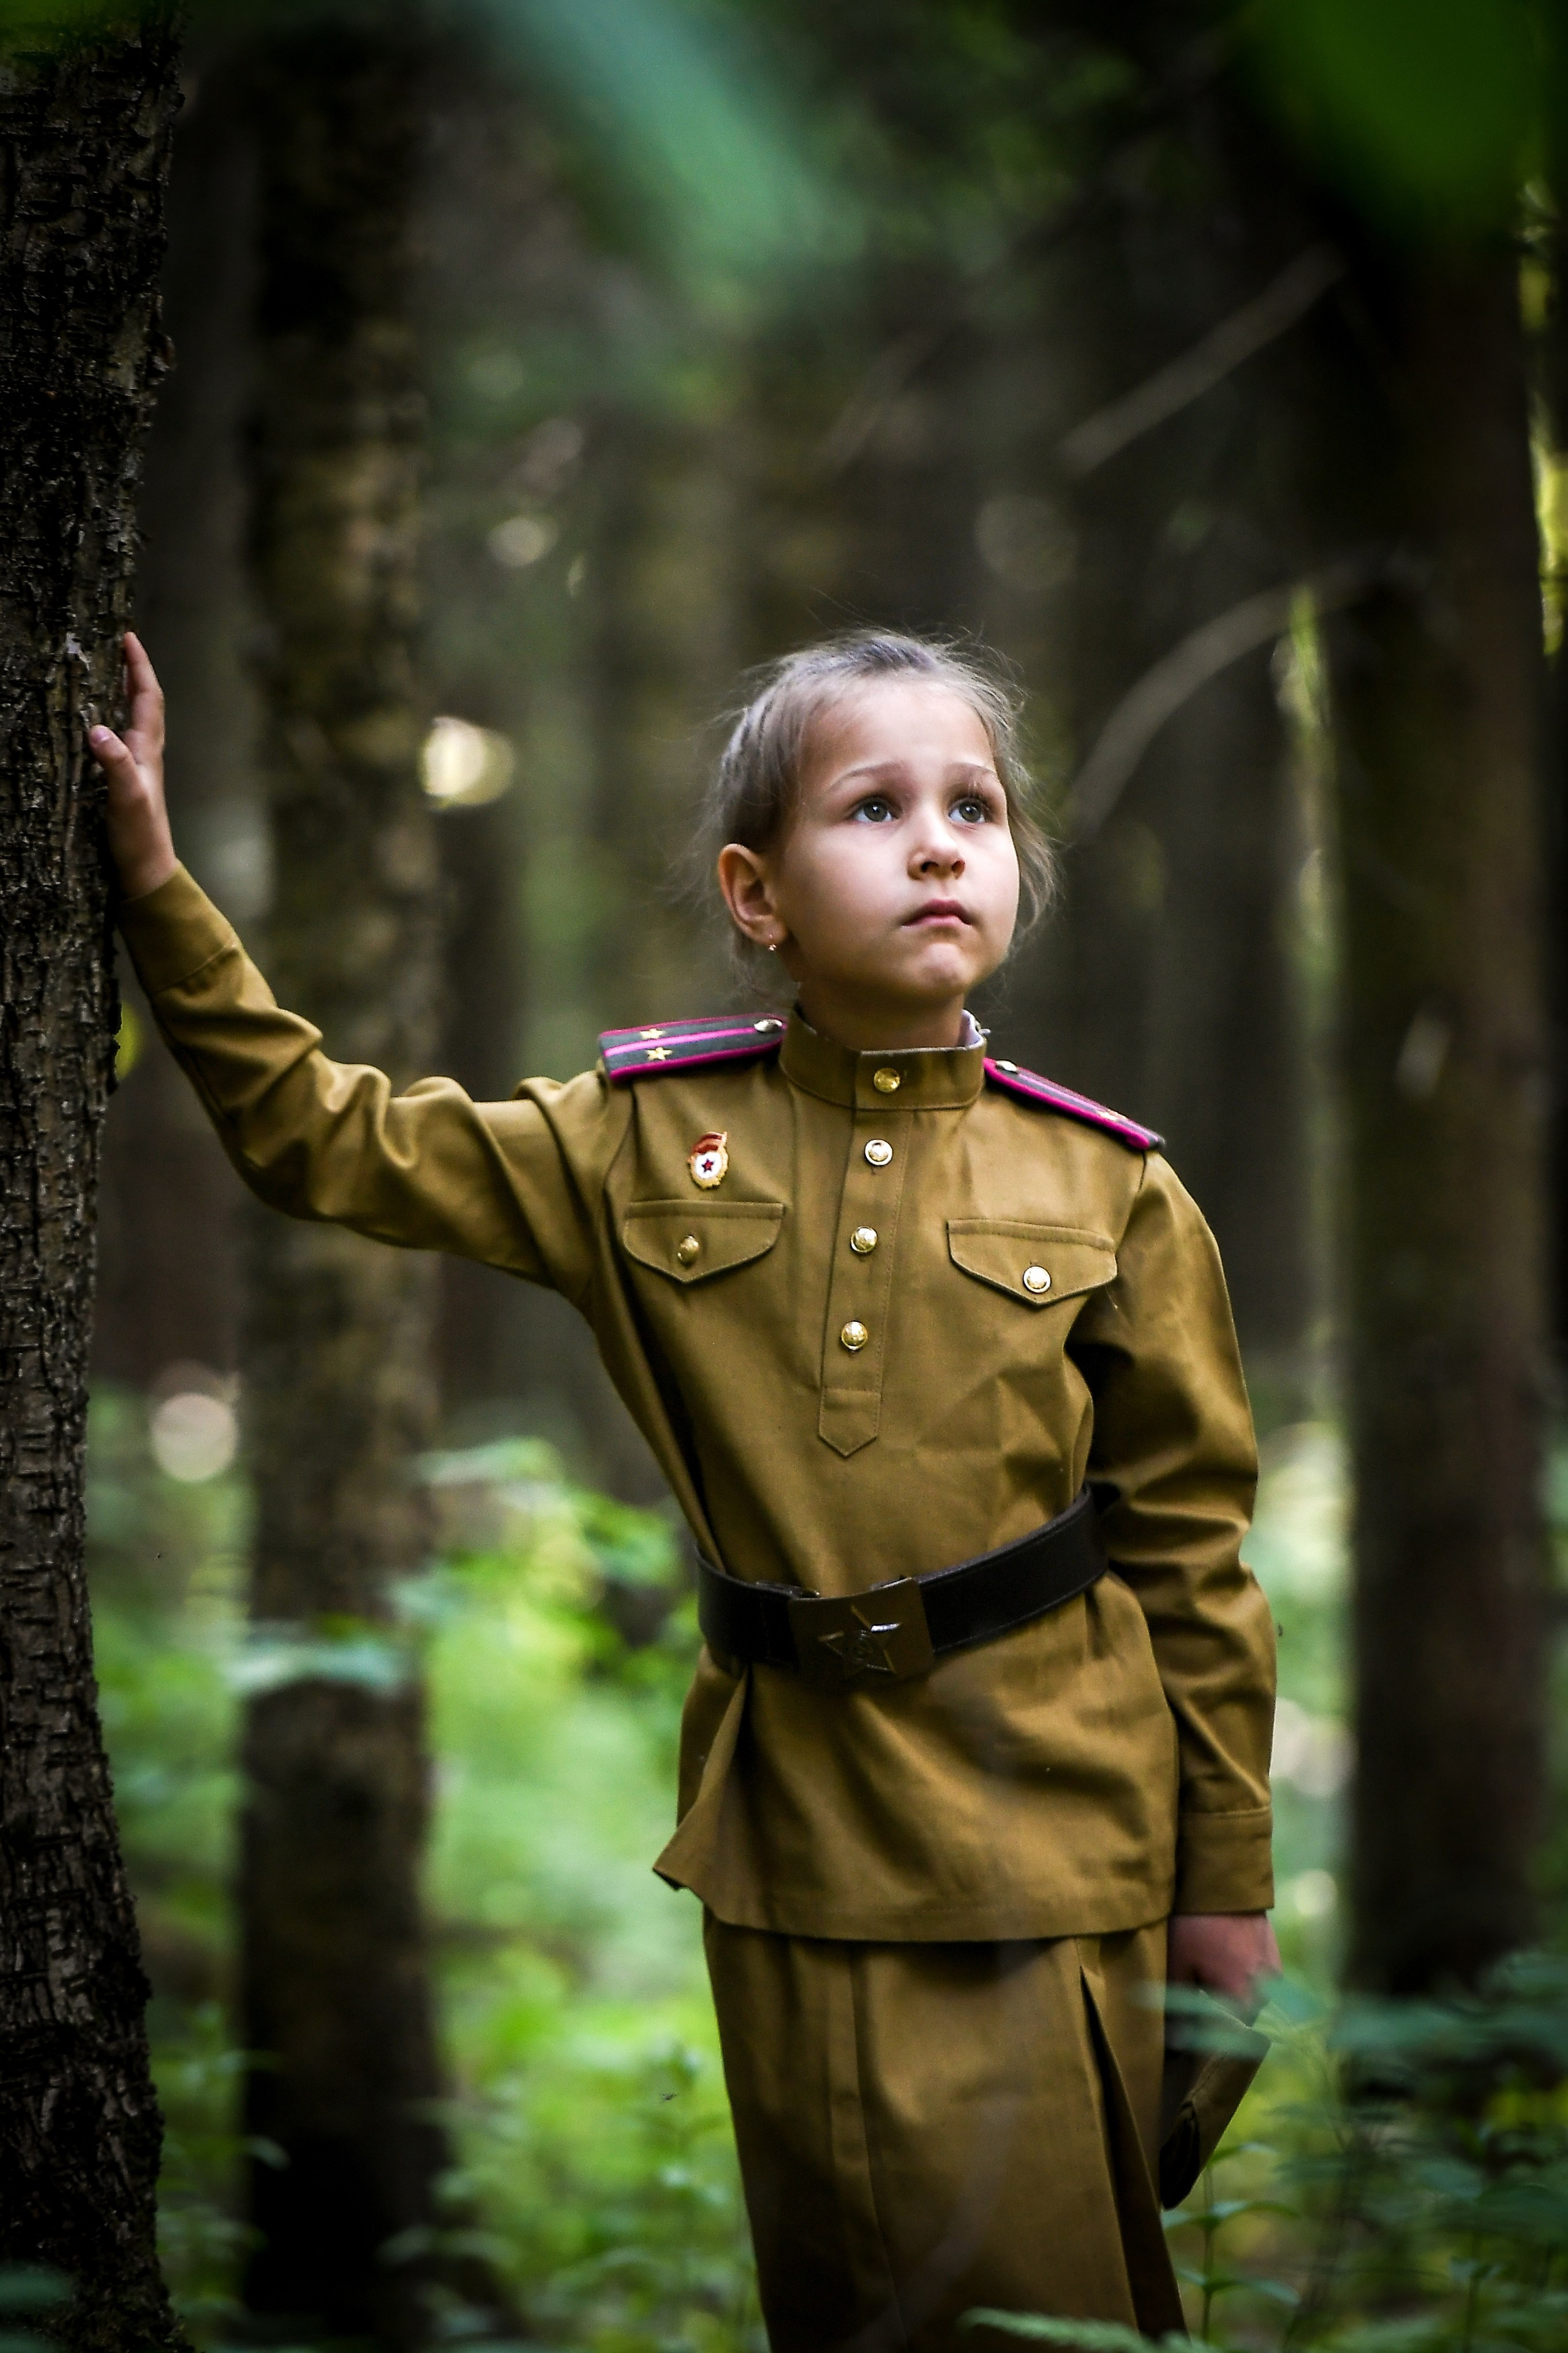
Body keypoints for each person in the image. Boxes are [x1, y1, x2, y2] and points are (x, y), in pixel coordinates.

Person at [92, 625, 1278, 2351]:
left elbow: (1193, 1557)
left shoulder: (1115, 1191)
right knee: (847, 2308)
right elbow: (321, 1136)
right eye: (874, 808)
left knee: (1047, 2314)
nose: (939, 845)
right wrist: (151, 887)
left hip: (1053, 1827)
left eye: (975, 808)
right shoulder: (637, 1137)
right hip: (789, 1824)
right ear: (756, 892)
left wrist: (1226, 1882)